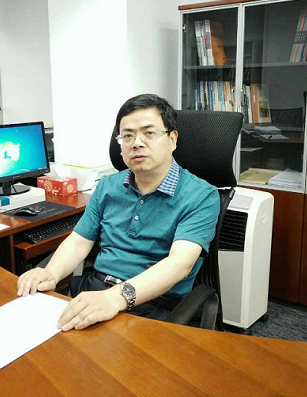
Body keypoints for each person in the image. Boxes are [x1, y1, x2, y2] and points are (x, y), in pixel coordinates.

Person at [17, 94, 220, 331]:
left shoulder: (201, 195)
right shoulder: (107, 186)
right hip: (97, 291)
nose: (137, 143)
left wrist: (116, 297)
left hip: (154, 304)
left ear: (172, 139)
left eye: (149, 133)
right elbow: (79, 241)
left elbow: (179, 264)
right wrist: (51, 273)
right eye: (128, 136)